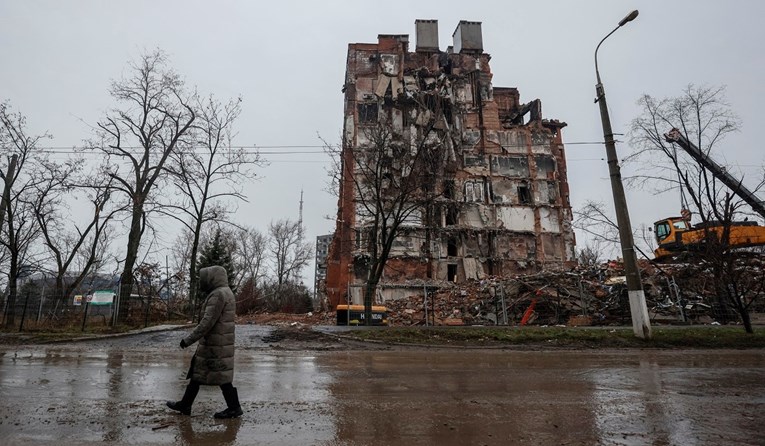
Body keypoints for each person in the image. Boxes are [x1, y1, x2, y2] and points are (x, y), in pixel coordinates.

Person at [167, 265, 243, 419]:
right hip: (218, 343)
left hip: (215, 345)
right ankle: (185, 404)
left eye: (206, 277)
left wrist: (188, 340)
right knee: (198, 375)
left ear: (213, 278)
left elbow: (207, 322)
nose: (204, 281)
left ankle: (234, 408)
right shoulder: (226, 292)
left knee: (222, 378)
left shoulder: (218, 294)